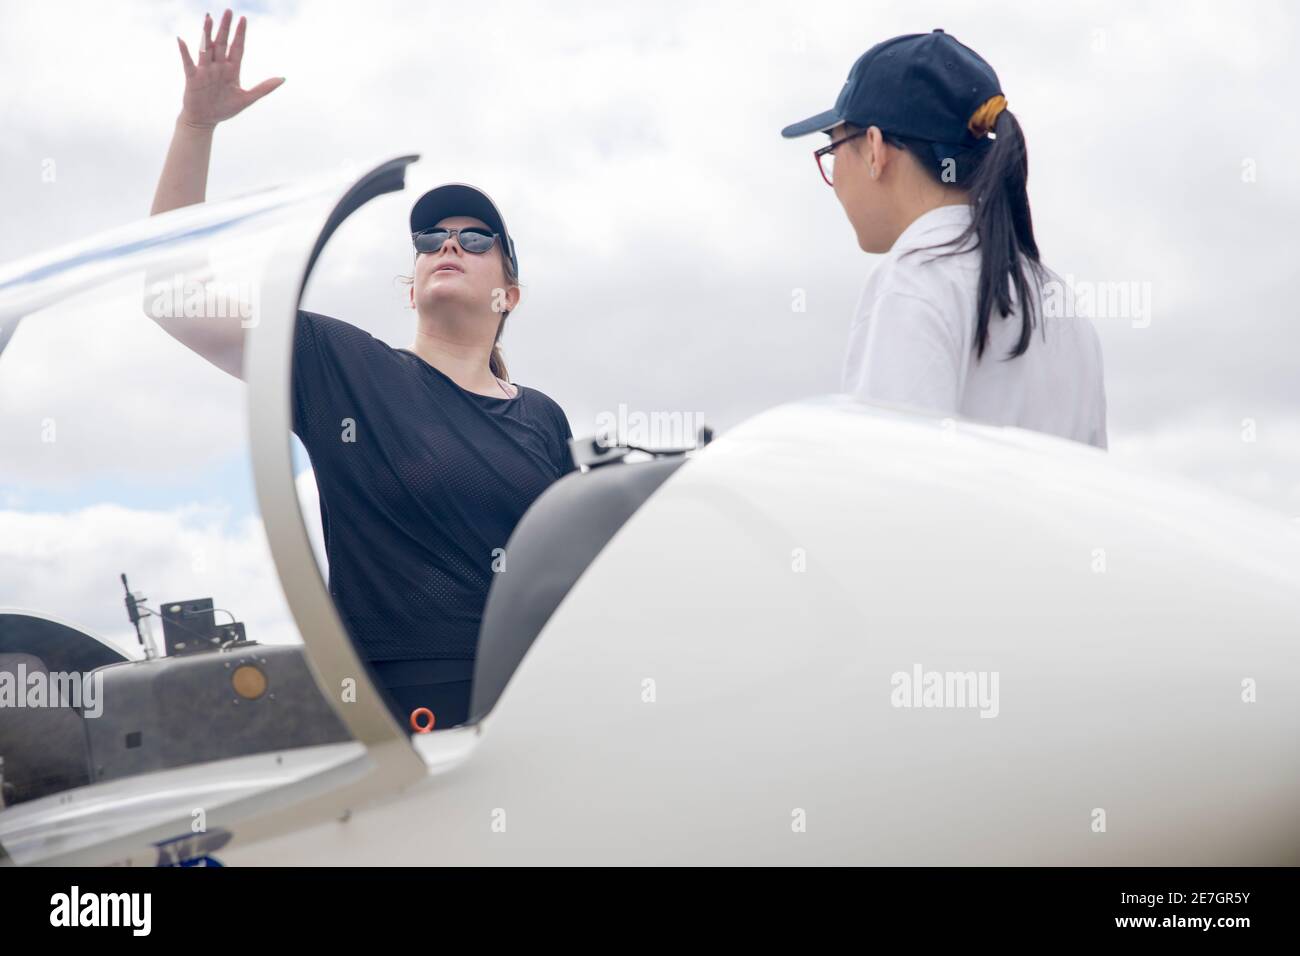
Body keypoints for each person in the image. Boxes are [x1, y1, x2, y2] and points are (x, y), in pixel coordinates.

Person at [146, 10, 575, 728]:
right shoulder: (345, 368)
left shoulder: (543, 417)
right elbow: (172, 300)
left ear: (510, 294)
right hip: (402, 723)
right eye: (431, 237)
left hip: (539, 708)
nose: (449, 244)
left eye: (475, 238)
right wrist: (196, 130)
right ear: (410, 287)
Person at [782, 29, 1107, 449]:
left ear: (875, 149)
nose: (834, 176)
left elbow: (895, 484)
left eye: (832, 149)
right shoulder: (1060, 303)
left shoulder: (915, 279)